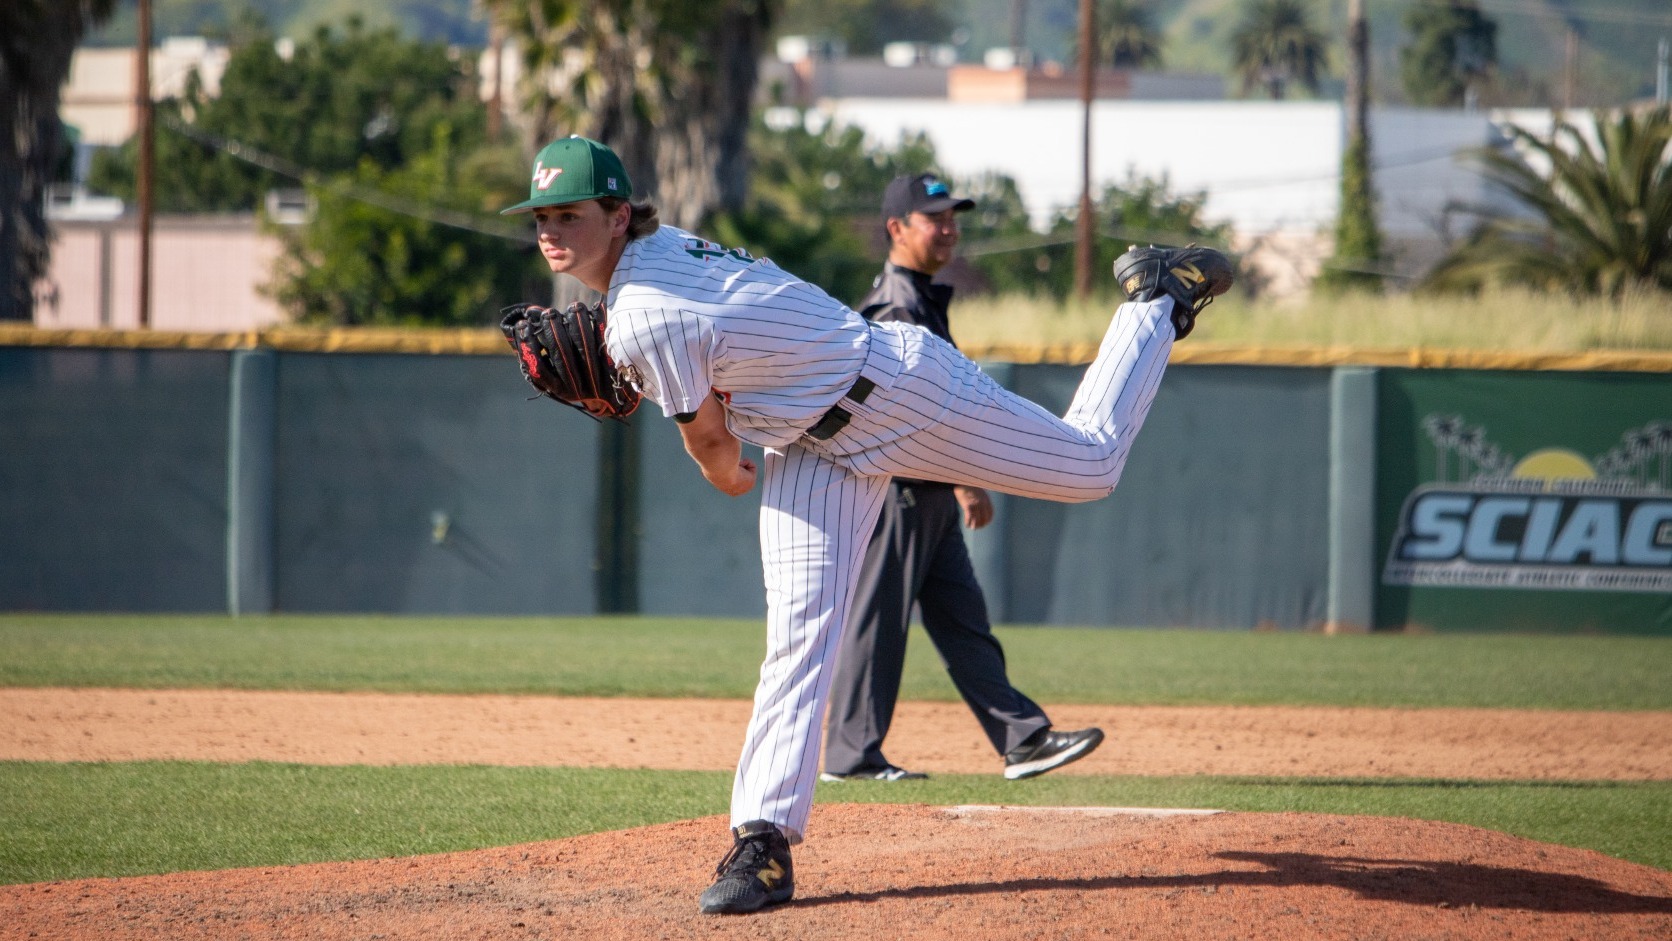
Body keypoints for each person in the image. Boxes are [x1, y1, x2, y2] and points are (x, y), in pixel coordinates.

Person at [500, 135, 1232, 916]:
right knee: (799, 632)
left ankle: (1156, 298)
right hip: (809, 438)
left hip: (898, 392)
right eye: (541, 216)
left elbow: (718, 456)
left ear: (618, 216)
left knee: (1091, 465)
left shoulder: (644, 314)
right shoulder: (656, 253)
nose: (550, 230)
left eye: (570, 214)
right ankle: (762, 841)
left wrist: (695, 437)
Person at [821, 174, 1102, 783]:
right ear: (897, 228)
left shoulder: (919, 297)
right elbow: (908, 408)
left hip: (928, 486)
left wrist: (957, 477)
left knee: (963, 622)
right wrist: (964, 476)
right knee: (878, 620)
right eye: (935, 218)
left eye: (953, 217)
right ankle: (851, 757)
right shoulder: (898, 305)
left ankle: (1022, 740)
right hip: (898, 486)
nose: (949, 229)